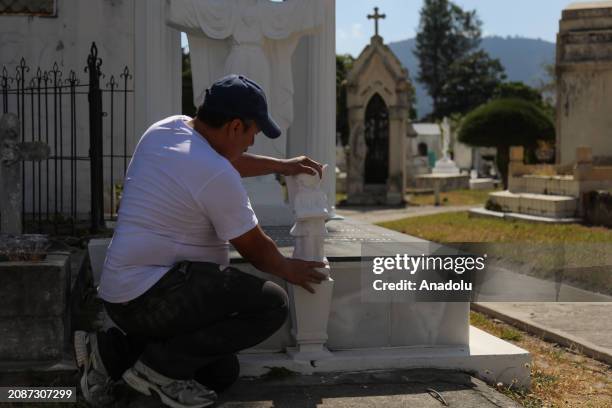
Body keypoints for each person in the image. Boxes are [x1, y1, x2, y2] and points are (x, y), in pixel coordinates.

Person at [74, 74, 327, 408]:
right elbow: (256, 250)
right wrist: (289, 268)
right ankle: (157, 374)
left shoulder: (168, 129)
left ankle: (109, 353)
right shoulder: (213, 172)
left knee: (221, 373)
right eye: (253, 132)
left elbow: (227, 159)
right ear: (236, 126)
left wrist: (282, 166)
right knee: (272, 304)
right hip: (154, 299)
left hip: (123, 298)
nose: (252, 141)